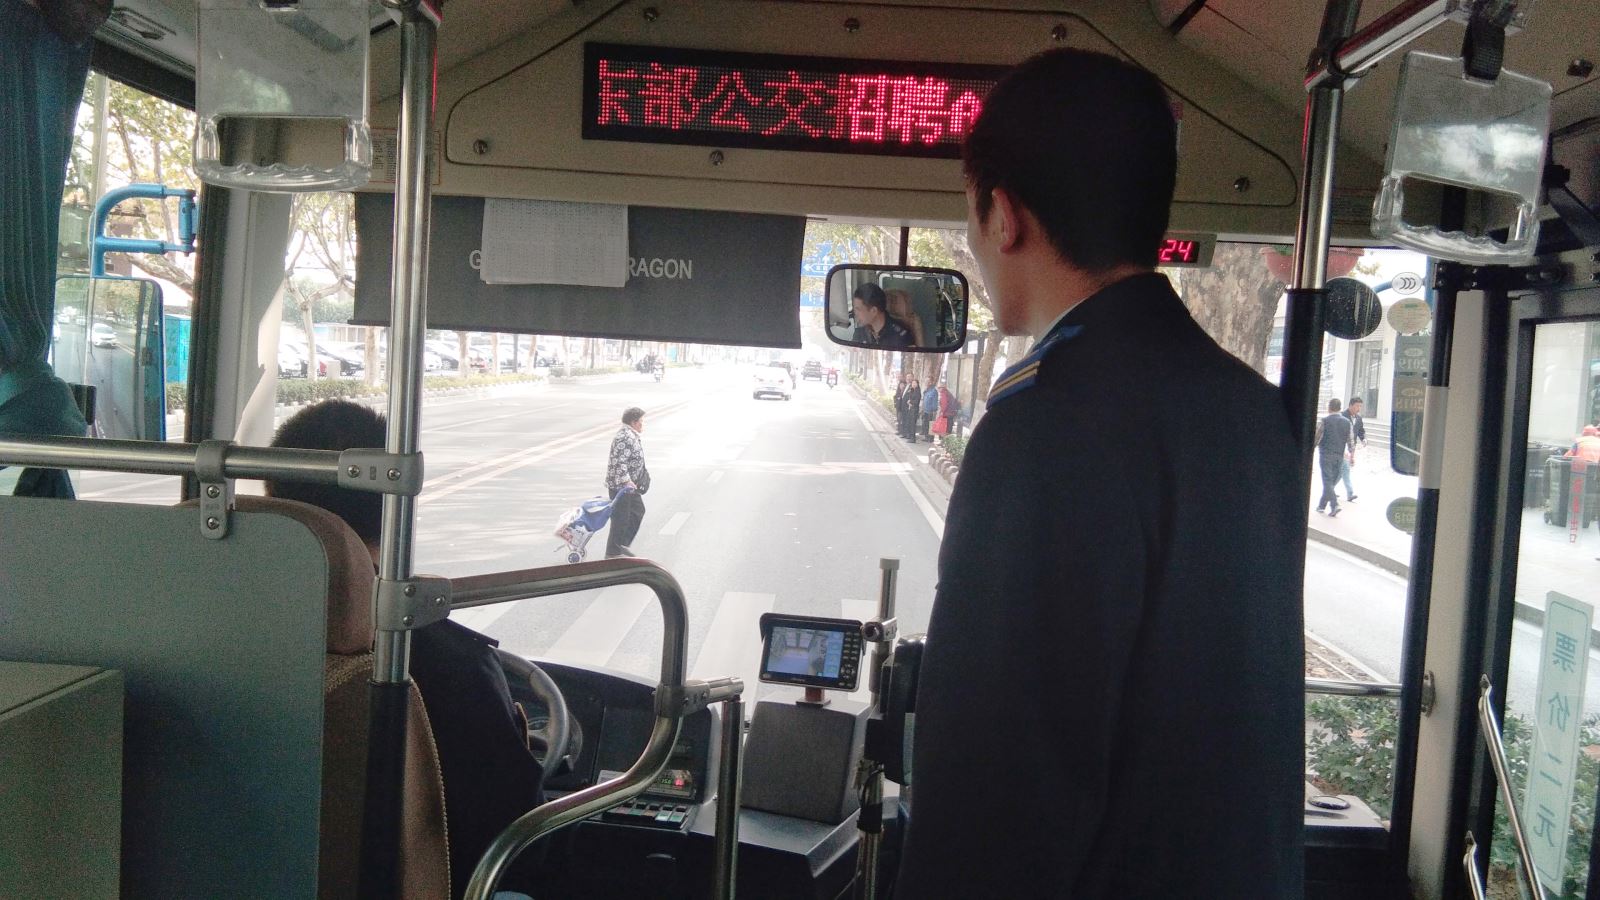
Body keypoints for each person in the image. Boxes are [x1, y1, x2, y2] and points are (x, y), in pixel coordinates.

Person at [896, 49, 1304, 899]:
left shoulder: (1043, 425)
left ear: (1002, 215)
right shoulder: (1255, 413)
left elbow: (994, 793)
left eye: (971, 217)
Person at [265, 400, 544, 900]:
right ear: (396, 509)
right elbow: (516, 843)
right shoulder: (452, 666)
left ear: (276, 497)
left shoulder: (199, 639)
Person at [605, 406, 649, 558]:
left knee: (637, 511)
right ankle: (613, 553)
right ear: (634, 422)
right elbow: (620, 461)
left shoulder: (630, 435)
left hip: (630, 487)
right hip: (621, 486)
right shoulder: (624, 437)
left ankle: (622, 544)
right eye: (641, 421)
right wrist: (626, 481)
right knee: (620, 519)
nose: (643, 424)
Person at [1316, 398, 1353, 517]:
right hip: (1339, 456)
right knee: (1331, 481)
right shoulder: (1347, 422)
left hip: (1326, 454)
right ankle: (1321, 505)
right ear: (1340, 408)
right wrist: (1352, 455)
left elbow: (1317, 437)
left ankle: (1334, 505)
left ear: (1329, 408)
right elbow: (1351, 441)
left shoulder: (1325, 421)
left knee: (1327, 481)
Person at [850, 282, 914, 349]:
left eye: (858, 309)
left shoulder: (901, 336)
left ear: (874, 311)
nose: (855, 313)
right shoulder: (859, 333)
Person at [1340, 397, 1367, 501]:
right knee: (1345, 469)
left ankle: (1330, 489)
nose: (1359, 408)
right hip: (1342, 447)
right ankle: (1350, 493)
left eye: (1360, 406)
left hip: (1351, 447)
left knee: (1342, 470)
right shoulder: (1342, 416)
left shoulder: (1359, 418)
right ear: (1350, 405)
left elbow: (1360, 430)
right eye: (1357, 406)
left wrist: (1363, 439)